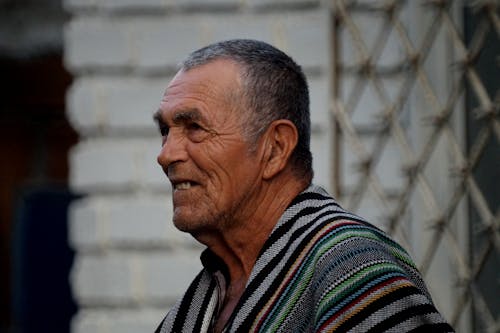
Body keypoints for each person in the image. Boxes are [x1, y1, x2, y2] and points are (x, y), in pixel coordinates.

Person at [153, 39, 454, 333]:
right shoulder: (210, 297)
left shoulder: (351, 269)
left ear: (275, 148)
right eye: (166, 130)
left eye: (194, 128)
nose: (166, 154)